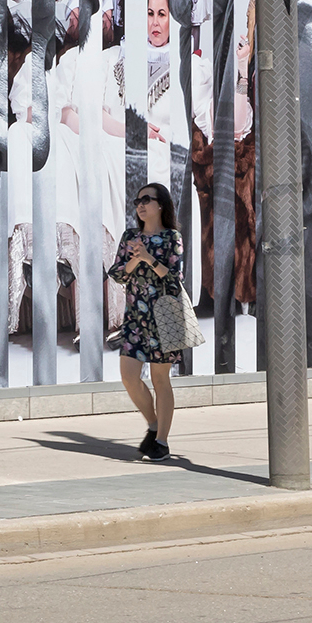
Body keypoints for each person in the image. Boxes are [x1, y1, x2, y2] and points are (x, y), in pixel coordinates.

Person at [108, 182, 184, 461]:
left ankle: (161, 441)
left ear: (160, 205)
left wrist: (148, 258)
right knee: (129, 377)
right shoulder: (130, 236)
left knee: (160, 379)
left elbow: (174, 276)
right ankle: (153, 424)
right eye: (137, 201)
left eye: (147, 200)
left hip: (163, 316)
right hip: (135, 318)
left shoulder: (171, 237)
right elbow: (117, 274)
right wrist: (134, 259)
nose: (140, 205)